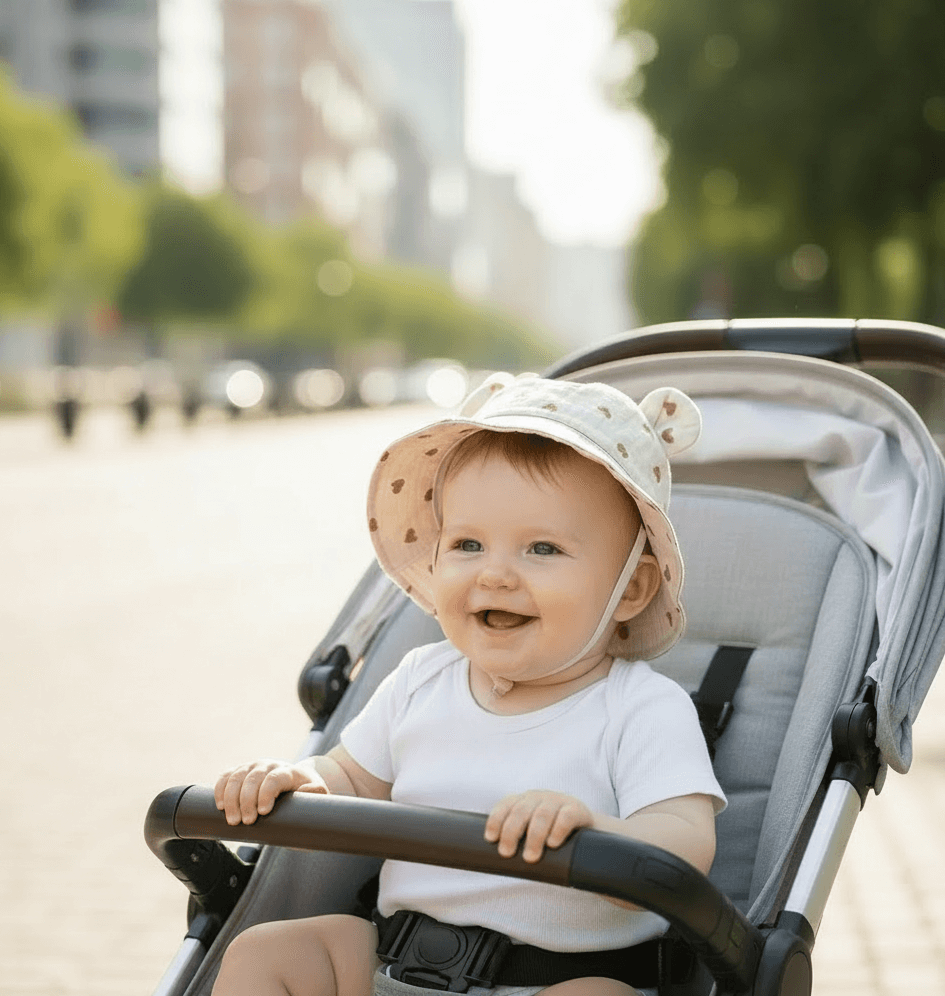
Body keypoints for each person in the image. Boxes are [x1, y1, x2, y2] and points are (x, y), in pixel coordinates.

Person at [213, 375, 726, 996]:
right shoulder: (419, 681)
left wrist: (595, 830)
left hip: (557, 979)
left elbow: (685, 842)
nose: (496, 573)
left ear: (633, 590)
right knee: (268, 952)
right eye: (467, 544)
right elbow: (352, 781)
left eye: (542, 548)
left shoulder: (641, 708)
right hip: (395, 964)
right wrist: (300, 779)